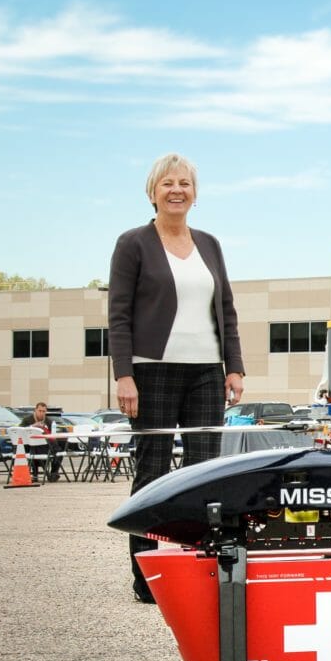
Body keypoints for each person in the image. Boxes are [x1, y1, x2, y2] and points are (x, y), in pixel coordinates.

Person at [109, 153, 245, 604]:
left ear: (194, 194)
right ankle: (148, 577)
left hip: (207, 370)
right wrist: (124, 375)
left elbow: (225, 307)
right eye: (167, 183)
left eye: (184, 183)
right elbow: (120, 316)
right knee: (152, 471)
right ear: (153, 192)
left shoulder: (209, 243)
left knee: (205, 472)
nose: (176, 190)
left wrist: (234, 366)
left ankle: (200, 566)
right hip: (151, 371)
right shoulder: (133, 243)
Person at [19, 401, 61, 482]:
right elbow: (20, 431)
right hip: (30, 446)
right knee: (54, 450)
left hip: (46, 446)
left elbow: (53, 434)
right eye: (40, 411)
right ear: (35, 410)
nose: (41, 413)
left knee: (60, 450)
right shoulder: (27, 420)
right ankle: (35, 474)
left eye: (44, 411)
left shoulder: (49, 421)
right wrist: (32, 426)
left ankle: (53, 473)